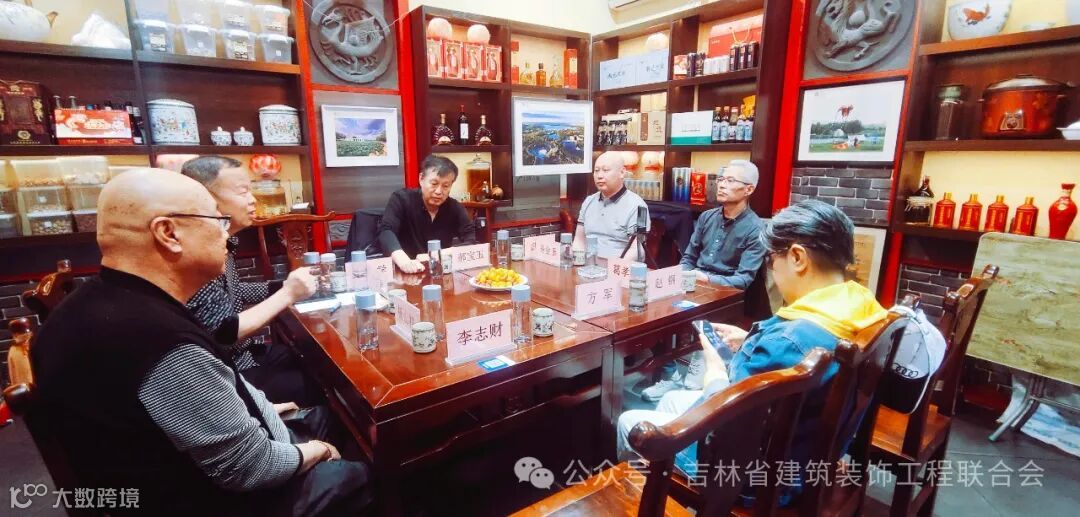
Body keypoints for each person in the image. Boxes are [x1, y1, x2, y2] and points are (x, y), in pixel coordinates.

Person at [32, 169, 372, 515]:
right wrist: (318, 450)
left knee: (334, 418)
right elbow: (249, 468)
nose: (227, 234)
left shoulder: (110, 298)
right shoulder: (158, 342)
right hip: (213, 498)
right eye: (218, 221)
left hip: (199, 461)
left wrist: (261, 409)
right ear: (168, 233)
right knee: (370, 475)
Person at [616, 200, 888, 500]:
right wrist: (749, 340)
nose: (771, 270)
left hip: (753, 477)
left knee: (631, 424)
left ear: (798, 258)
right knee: (670, 399)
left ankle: (650, 501)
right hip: (806, 455)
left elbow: (726, 426)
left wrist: (714, 371)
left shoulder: (785, 342)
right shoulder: (861, 307)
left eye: (771, 260)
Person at [180, 156, 321, 406]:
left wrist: (283, 285)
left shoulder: (223, 240)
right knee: (323, 384)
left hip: (247, 354)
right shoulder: (197, 253)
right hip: (228, 373)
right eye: (243, 191)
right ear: (206, 198)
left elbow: (235, 292)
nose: (253, 199)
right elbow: (225, 332)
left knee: (315, 358)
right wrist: (287, 294)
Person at [642, 160, 767, 401]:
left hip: (726, 295)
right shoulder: (707, 217)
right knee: (654, 311)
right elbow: (689, 257)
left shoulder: (755, 228)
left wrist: (704, 278)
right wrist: (681, 276)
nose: (721, 185)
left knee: (696, 319)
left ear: (748, 189)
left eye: (730, 181)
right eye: (721, 179)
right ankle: (669, 373)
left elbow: (743, 280)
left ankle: (696, 381)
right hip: (695, 283)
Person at [379, 154, 476, 273]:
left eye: (446, 186)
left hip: (440, 273)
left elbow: (472, 242)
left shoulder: (454, 207)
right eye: (434, 184)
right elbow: (386, 231)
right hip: (405, 273)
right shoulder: (402, 199)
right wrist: (403, 260)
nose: (439, 191)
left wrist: (434, 255)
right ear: (421, 179)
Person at [573, 151, 650, 260]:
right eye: (596, 171)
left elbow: (637, 249)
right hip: (588, 265)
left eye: (605, 170)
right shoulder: (589, 201)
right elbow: (579, 240)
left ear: (622, 172)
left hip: (619, 266)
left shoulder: (639, 207)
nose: (599, 176)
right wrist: (578, 262)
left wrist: (616, 267)